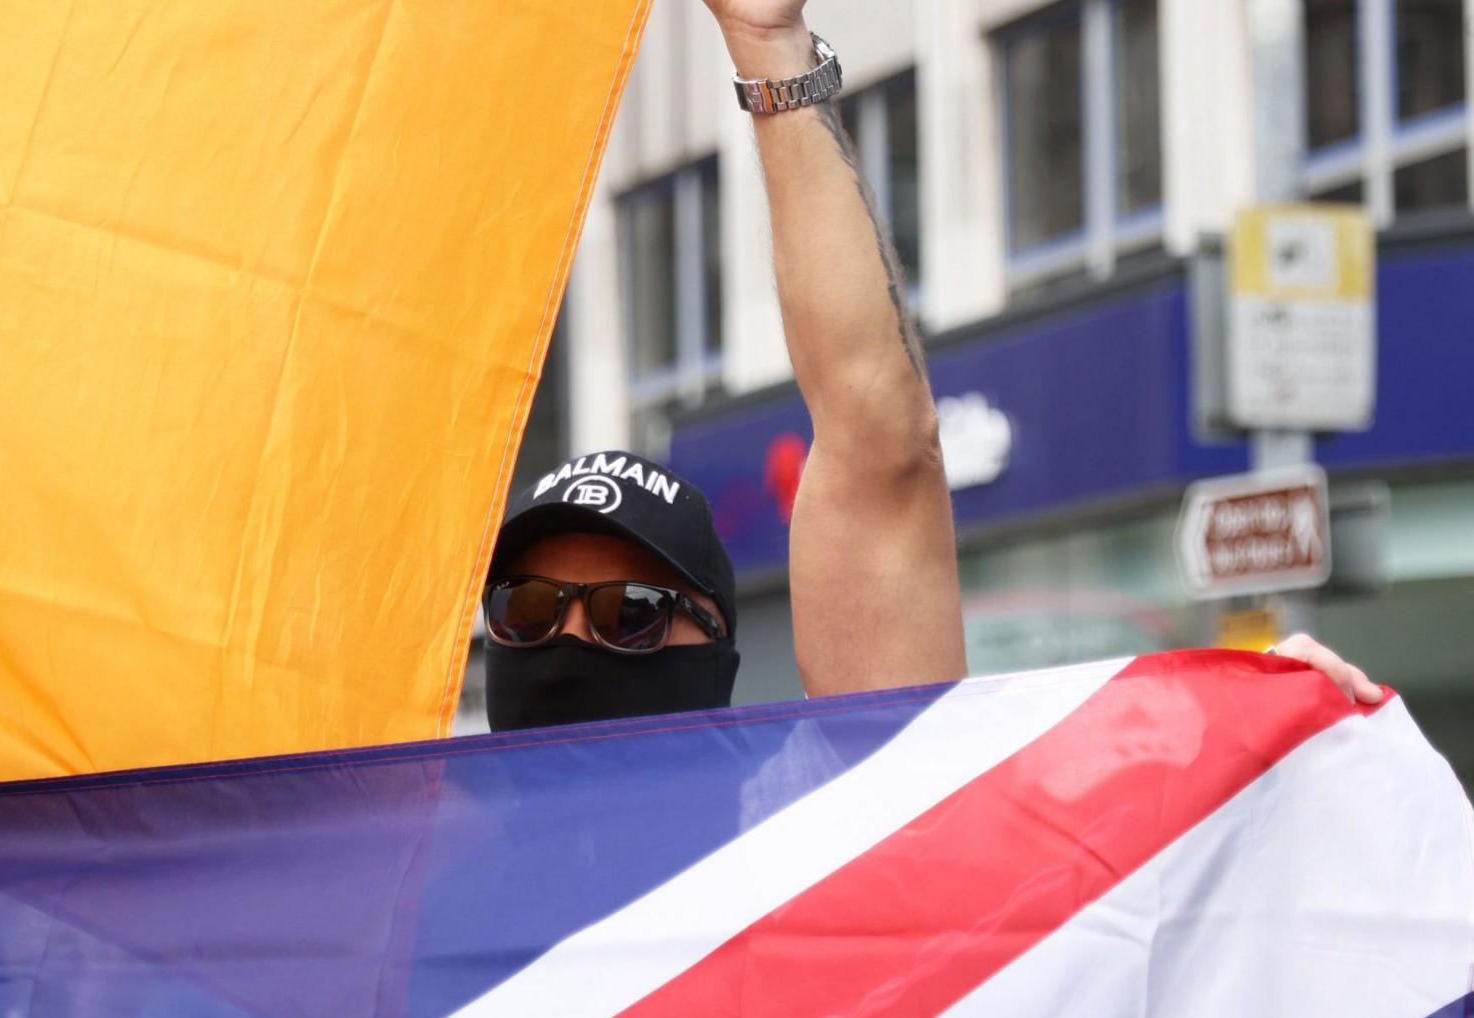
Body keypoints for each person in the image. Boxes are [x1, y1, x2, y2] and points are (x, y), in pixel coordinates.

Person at [481, 0, 1381, 732]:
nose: (566, 639)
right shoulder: (392, 872)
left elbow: (880, 434)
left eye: (627, 613)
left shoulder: (813, 839)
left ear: (715, 642)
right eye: (525, 610)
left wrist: (1237, 749)